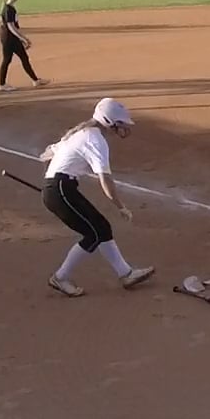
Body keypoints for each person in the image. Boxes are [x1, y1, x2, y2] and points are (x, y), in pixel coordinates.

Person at [38, 98, 155, 297]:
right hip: (61, 190)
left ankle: (126, 274)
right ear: (110, 122)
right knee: (94, 234)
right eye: (121, 123)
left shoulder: (81, 133)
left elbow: (47, 154)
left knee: (101, 227)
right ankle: (60, 277)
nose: (124, 127)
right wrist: (120, 206)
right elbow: (105, 180)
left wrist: (49, 183)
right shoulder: (96, 140)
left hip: (60, 189)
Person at [0, 0, 48, 92]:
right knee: (7, 60)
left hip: (12, 38)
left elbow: (13, 27)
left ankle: (35, 80)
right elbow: (11, 27)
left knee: (24, 57)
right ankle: (2, 84)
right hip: (8, 38)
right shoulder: (8, 9)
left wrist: (21, 38)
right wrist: (23, 38)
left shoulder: (10, 8)